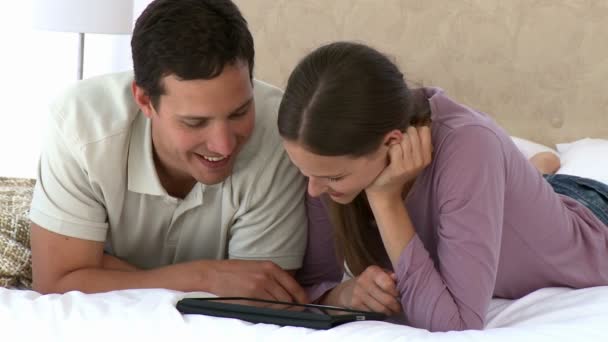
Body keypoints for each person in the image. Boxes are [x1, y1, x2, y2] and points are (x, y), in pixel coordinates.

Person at [277, 41, 608, 331]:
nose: (312, 191)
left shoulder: (470, 146)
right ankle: (538, 171)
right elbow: (311, 286)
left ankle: (541, 173)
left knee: (497, 168)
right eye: (306, 172)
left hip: (592, 220)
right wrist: (343, 295)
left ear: (392, 142)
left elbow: (458, 326)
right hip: (509, 200)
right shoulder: (322, 163)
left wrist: (384, 199)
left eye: (333, 177)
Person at [28, 0, 308, 304]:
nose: (224, 145)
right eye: (195, 122)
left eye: (239, 113)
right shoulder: (80, 125)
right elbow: (56, 282)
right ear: (144, 100)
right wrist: (204, 277)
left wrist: (102, 270)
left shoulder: (279, 129)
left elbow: (257, 298)